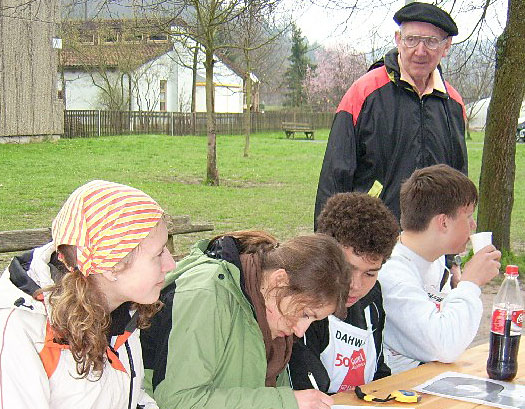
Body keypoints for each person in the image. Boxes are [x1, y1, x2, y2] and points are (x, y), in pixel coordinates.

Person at [0, 180, 176, 409]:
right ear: (112, 265)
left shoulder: (121, 309)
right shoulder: (21, 331)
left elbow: (130, 397)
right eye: (158, 253)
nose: (171, 264)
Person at [140, 231, 351, 409]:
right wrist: (285, 402)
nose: (300, 331)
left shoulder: (269, 312)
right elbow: (178, 400)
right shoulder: (206, 295)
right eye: (305, 314)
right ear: (279, 281)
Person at [314, 1, 467, 225]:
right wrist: (327, 242)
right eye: (412, 39)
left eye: (431, 41)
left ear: (446, 47)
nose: (420, 51)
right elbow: (334, 176)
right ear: (398, 39)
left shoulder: (453, 103)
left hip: (433, 237)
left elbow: (459, 180)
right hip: (372, 234)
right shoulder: (364, 92)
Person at [378, 165, 501, 374]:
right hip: (392, 385)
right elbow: (445, 347)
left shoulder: (434, 261)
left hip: (425, 377)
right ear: (443, 222)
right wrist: (470, 284)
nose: (473, 225)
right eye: (468, 216)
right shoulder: (393, 274)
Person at [288, 193, 399, 393]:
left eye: (370, 274)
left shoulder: (372, 300)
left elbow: (378, 372)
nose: (355, 285)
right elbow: (306, 389)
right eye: (347, 269)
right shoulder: (303, 307)